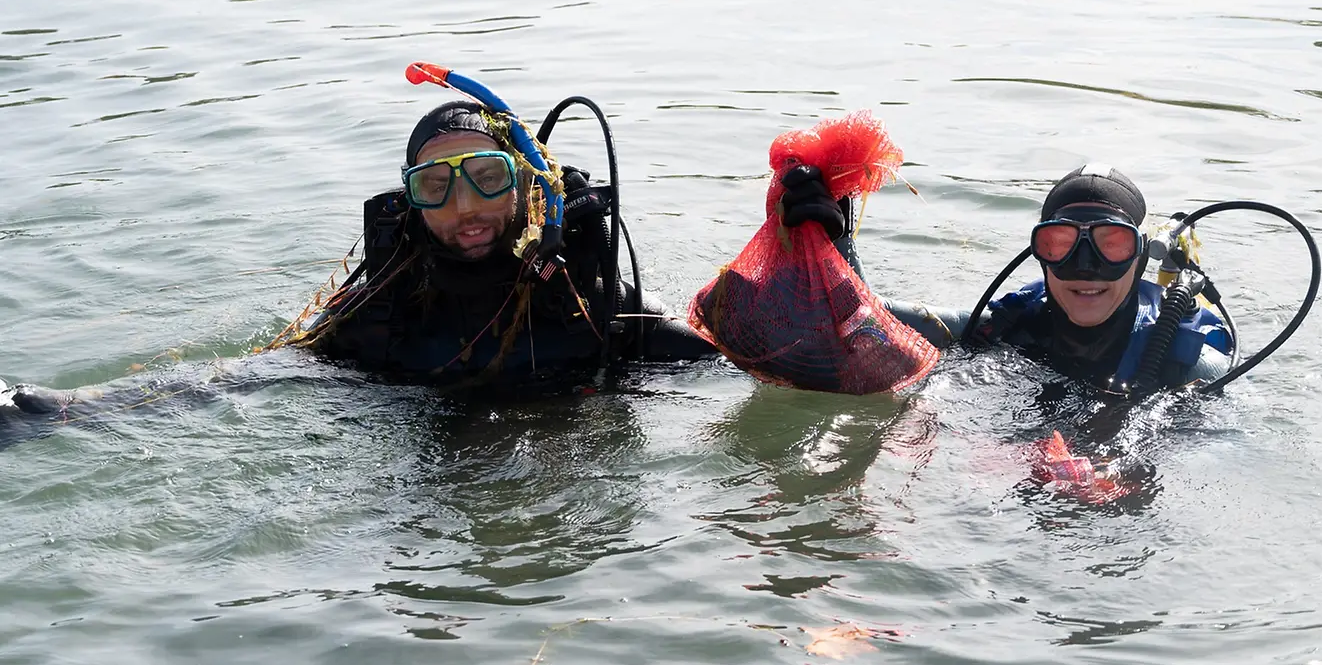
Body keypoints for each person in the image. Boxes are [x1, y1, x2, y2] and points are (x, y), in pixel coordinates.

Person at [281, 99, 715, 387]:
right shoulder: (371, 320)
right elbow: (259, 380)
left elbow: (740, 365)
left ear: (525, 185)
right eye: (435, 186)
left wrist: (784, 239)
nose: (466, 206)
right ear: (412, 203)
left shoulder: (596, 309)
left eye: (487, 178)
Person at [778, 162, 1234, 395]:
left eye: (1111, 244)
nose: (1085, 266)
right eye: (1061, 243)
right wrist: (832, 234)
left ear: (1139, 256)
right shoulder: (1004, 325)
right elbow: (860, 317)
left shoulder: (1188, 364)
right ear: (1039, 253)